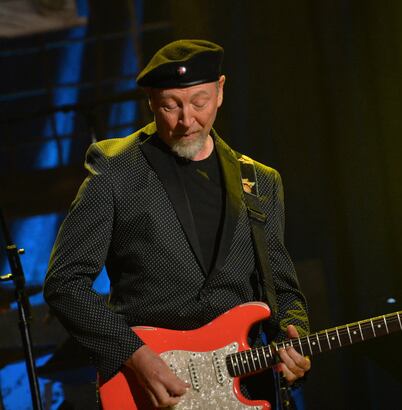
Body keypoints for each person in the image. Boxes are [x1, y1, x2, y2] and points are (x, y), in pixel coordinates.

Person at [43, 39, 311, 408]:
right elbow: (64, 282)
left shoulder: (261, 181)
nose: (187, 120)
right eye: (171, 106)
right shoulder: (116, 169)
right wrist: (136, 357)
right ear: (150, 102)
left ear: (220, 90)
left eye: (199, 102)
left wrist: (296, 341)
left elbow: (283, 290)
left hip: (248, 389)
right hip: (154, 389)